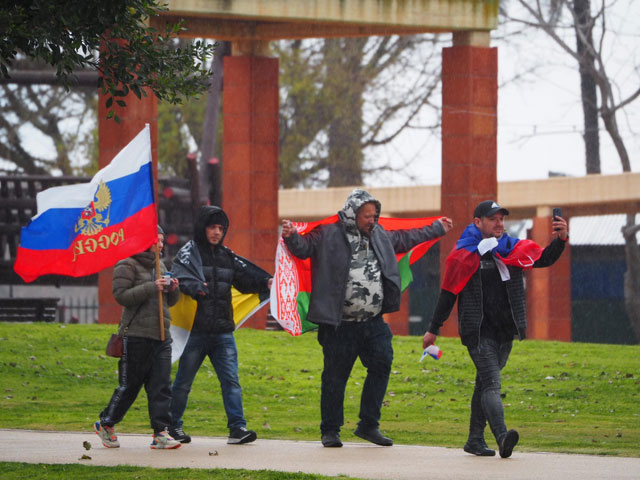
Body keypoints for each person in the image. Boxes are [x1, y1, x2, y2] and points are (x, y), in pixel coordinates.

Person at [281, 188, 452, 448]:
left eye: (375, 216)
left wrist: (436, 228)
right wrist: (292, 236)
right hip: (340, 325)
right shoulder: (327, 234)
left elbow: (408, 237)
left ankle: (368, 425)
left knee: (382, 364)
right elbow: (303, 250)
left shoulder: (379, 235)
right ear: (352, 213)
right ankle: (330, 430)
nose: (372, 221)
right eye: (367, 216)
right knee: (335, 378)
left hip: (373, 323)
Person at [422, 200, 569, 458]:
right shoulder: (463, 254)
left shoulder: (511, 249)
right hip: (477, 333)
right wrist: (433, 329)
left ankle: (474, 440)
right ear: (478, 222)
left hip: (505, 332)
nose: (499, 224)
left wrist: (560, 239)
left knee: (483, 385)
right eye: (493, 219)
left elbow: (543, 259)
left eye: (501, 219)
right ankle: (502, 437)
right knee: (491, 383)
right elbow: (447, 293)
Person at [169, 206, 272, 445]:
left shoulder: (228, 256)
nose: (216, 232)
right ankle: (172, 427)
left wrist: (266, 282)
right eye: (212, 227)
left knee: (231, 381)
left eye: (220, 228)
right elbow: (178, 277)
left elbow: (246, 280)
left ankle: (237, 429)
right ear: (202, 228)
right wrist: (194, 287)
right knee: (183, 382)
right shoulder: (187, 255)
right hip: (195, 331)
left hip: (223, 332)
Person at [94, 226, 181, 449]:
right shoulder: (127, 264)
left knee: (161, 387)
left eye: (162, 241)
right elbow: (121, 296)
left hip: (162, 336)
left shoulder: (160, 265)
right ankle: (106, 423)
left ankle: (160, 433)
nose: (161, 245)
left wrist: (173, 290)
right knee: (129, 386)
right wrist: (152, 287)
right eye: (157, 241)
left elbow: (168, 303)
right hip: (136, 336)